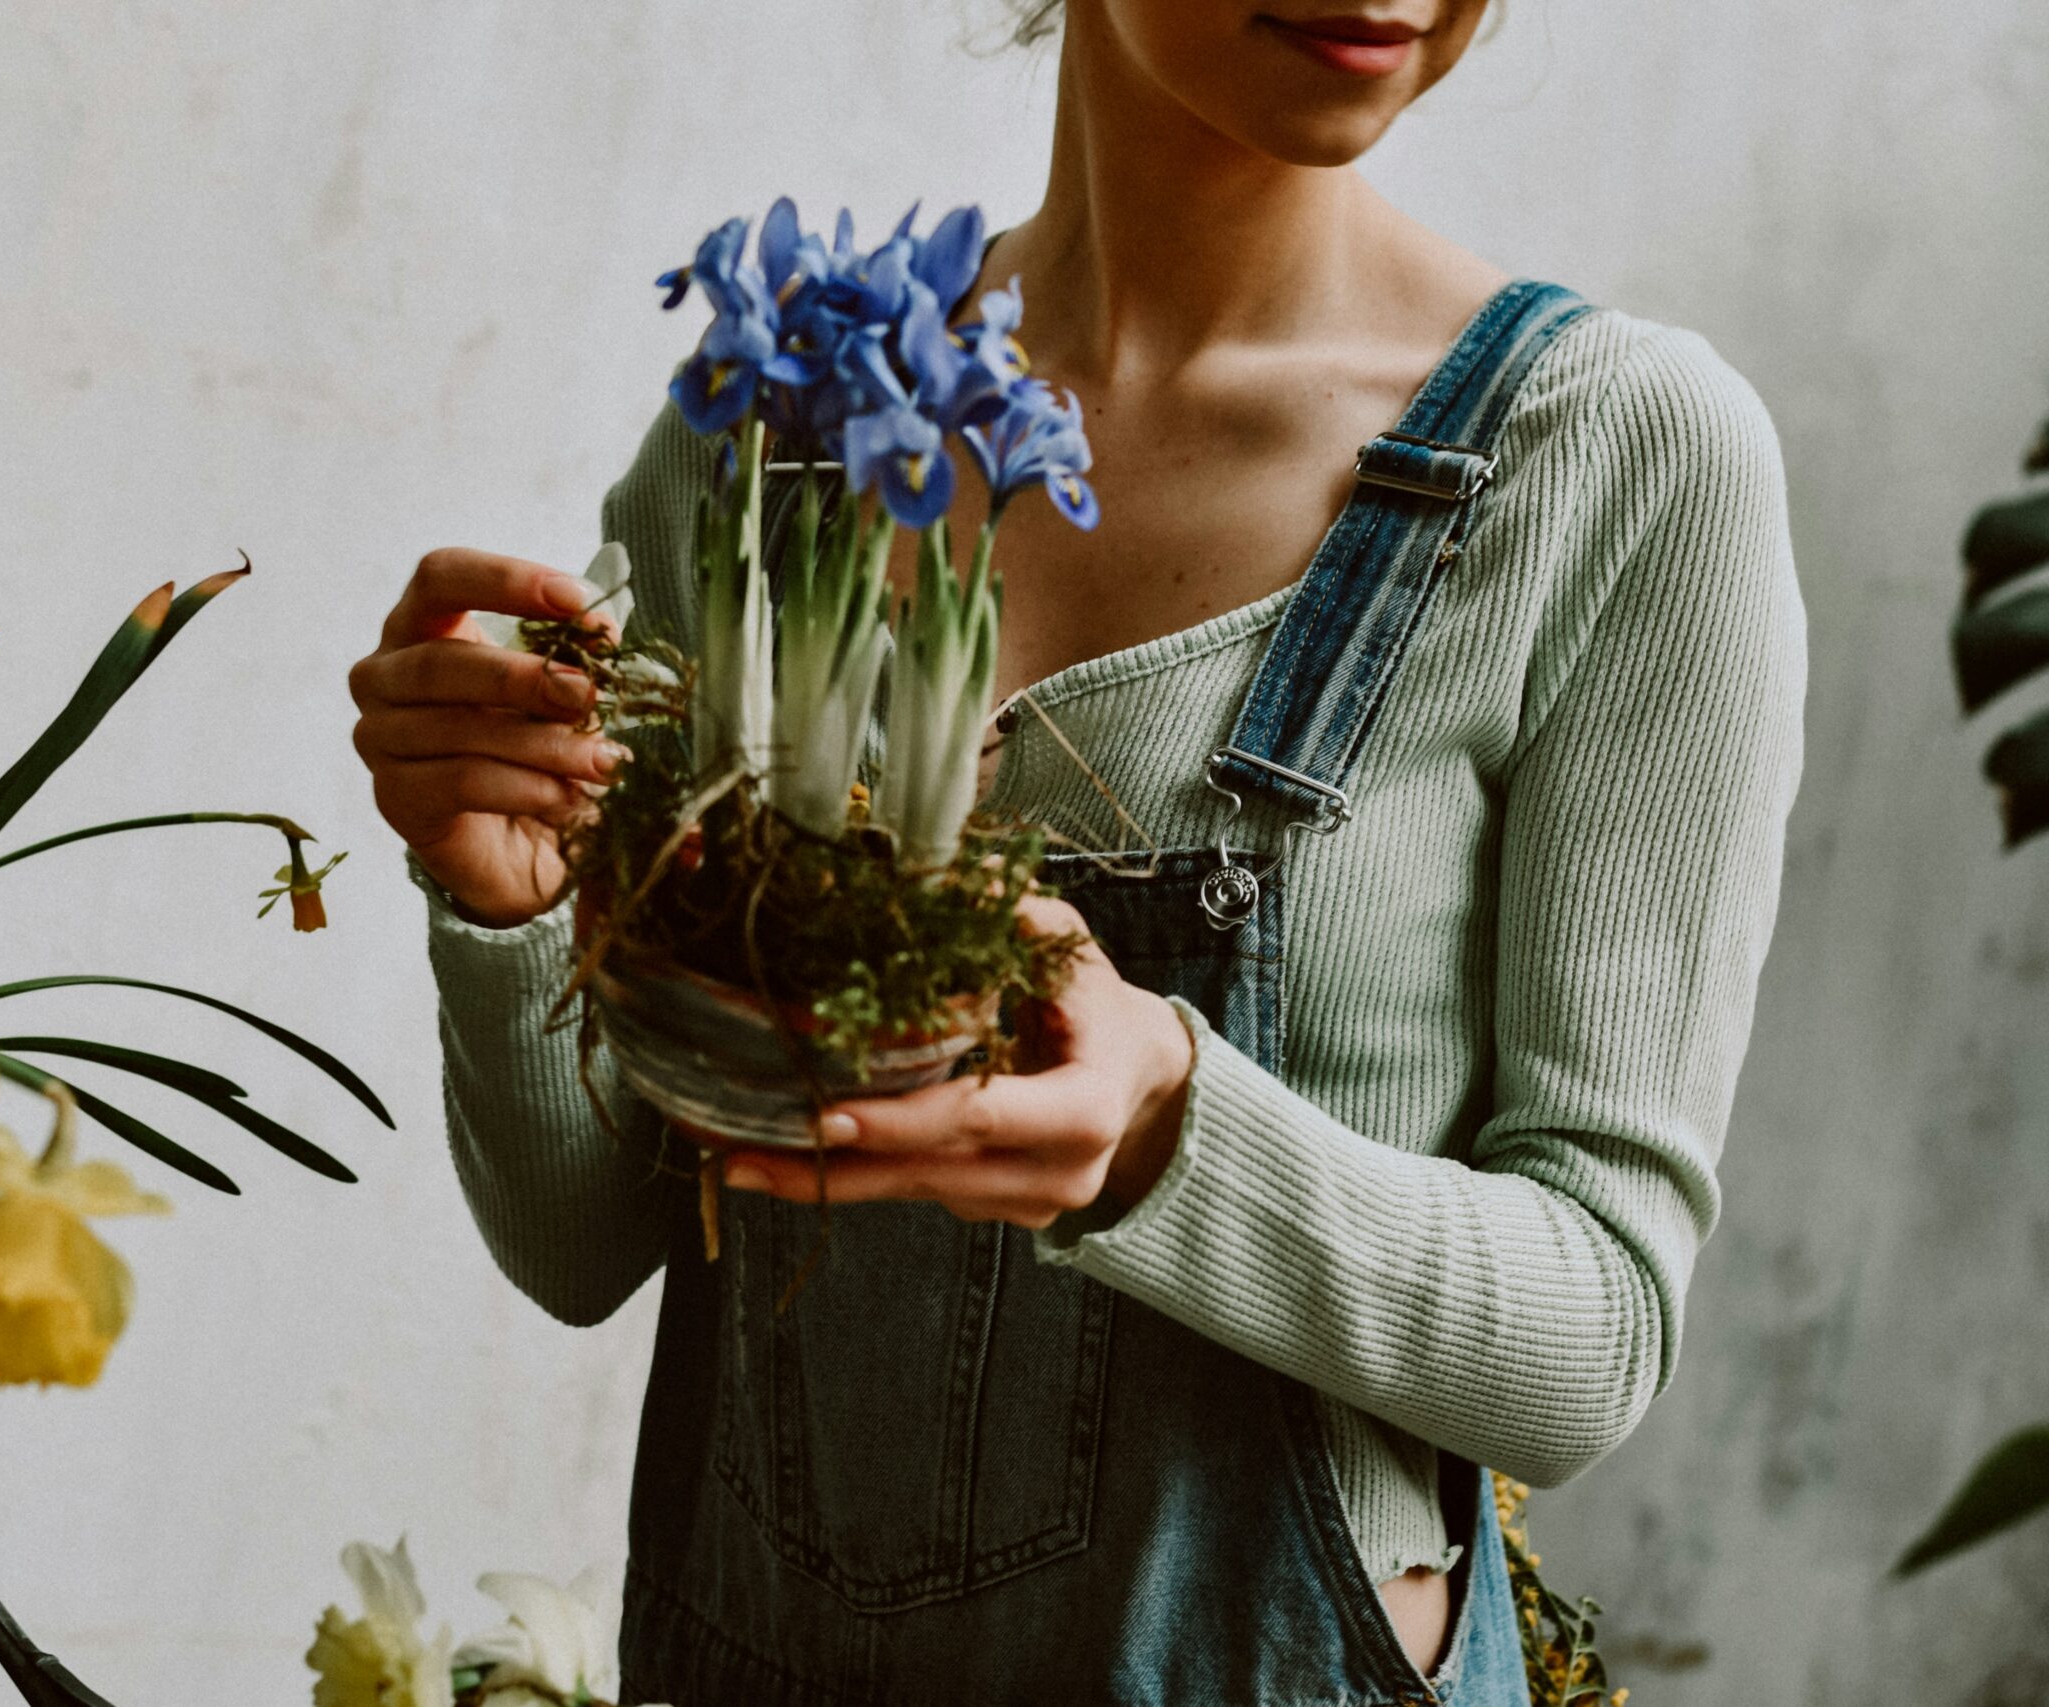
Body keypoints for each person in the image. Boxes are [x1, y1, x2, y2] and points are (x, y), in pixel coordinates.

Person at [347, 1, 1804, 1702]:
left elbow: (1594, 1333)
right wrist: (503, 899)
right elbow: (577, 1239)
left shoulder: (1613, 460)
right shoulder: (785, 424)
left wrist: (1170, 1122)